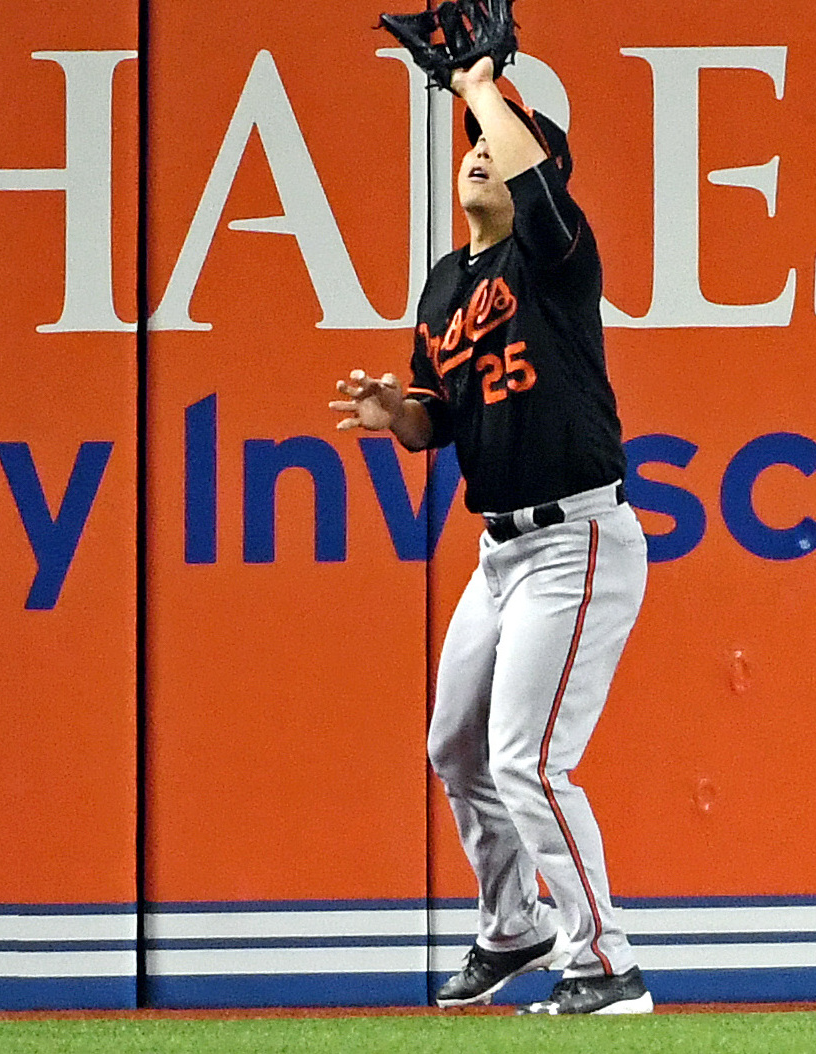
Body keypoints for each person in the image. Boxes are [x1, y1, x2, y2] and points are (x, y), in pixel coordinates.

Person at [332, 53, 652, 1016]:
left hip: (578, 539)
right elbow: (443, 419)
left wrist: (478, 84)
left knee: (528, 759)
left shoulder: (554, 256)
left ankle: (608, 965)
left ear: (536, 175)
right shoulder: (442, 288)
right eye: (468, 145)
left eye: (497, 149)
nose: (477, 154)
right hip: (500, 549)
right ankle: (515, 927)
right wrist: (402, 417)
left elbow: (526, 171)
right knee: (458, 751)